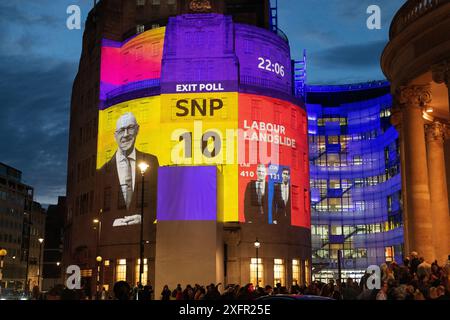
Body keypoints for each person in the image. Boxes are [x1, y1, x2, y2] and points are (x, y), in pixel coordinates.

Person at [99, 112, 159, 228]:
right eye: (121, 130)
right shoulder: (102, 171)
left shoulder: (152, 162)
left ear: (137, 130)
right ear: (115, 135)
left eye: (130, 128)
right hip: (111, 235)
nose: (126, 134)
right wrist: (111, 222)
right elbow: (97, 210)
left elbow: (159, 200)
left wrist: (144, 218)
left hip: (144, 232)